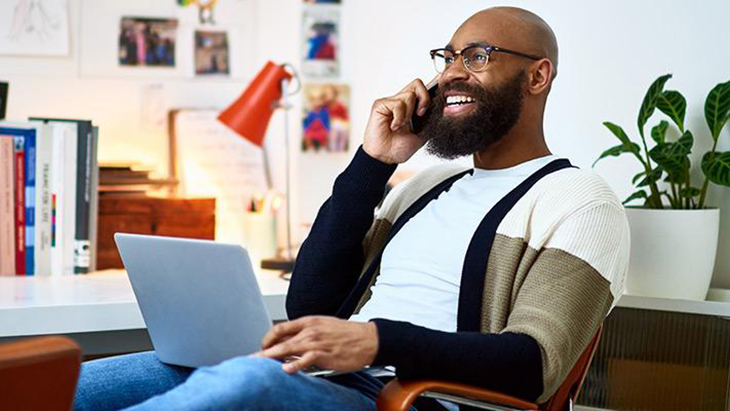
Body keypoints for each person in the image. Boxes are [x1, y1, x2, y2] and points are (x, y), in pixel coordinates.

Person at [74, 6, 629, 411]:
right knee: (81, 383)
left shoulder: (579, 201)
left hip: (410, 400)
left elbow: (532, 365)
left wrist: (376, 340)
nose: (451, 73)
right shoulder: (426, 186)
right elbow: (311, 300)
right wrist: (373, 162)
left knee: (243, 387)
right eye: (448, 57)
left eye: (478, 57)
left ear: (537, 75)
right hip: (326, 379)